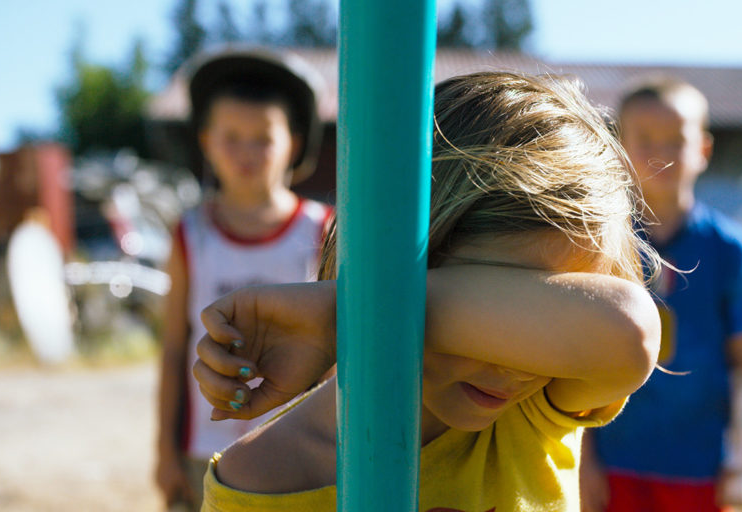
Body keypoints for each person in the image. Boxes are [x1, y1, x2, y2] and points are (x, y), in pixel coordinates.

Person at [189, 71, 663, 511]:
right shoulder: (262, 480)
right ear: (410, 248)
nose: (517, 364)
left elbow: (628, 329)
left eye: (545, 313)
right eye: (504, 302)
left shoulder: (538, 409)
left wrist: (352, 312)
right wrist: (372, 306)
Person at [580, 75, 742, 512]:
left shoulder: (730, 248)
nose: (660, 152)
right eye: (645, 138)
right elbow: (574, 359)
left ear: (704, 150)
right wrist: (582, 460)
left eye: (676, 139)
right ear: (618, 147)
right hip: (614, 462)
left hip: (700, 468)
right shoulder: (595, 244)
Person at [154, 47, 332, 511]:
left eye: (263, 138)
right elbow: (175, 347)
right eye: (232, 137)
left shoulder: (323, 230)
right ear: (207, 141)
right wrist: (163, 450)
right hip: (203, 452)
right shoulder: (189, 235)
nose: (246, 152)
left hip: (299, 450)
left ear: (293, 143)